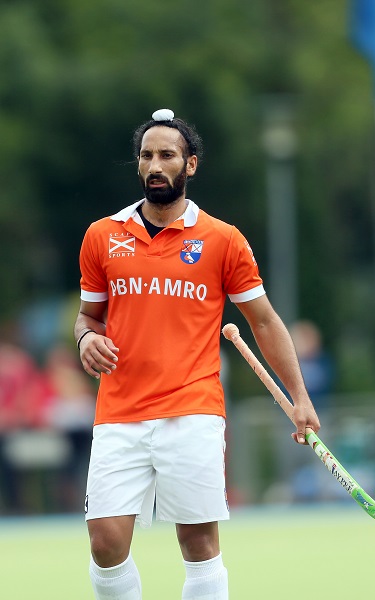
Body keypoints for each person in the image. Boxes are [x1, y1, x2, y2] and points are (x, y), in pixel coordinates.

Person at [74, 108, 320, 600]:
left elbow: (265, 321)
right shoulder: (102, 236)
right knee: (105, 541)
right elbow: (88, 317)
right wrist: (85, 339)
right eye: (146, 156)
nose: (155, 165)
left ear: (190, 165)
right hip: (119, 410)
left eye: (167, 155)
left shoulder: (223, 240)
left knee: (199, 541)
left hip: (192, 408)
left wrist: (300, 396)